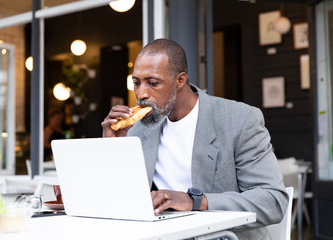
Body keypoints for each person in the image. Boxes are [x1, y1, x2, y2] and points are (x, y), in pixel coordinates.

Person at [101, 39, 288, 239]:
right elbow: (118, 201)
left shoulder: (240, 120)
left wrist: (196, 201)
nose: (141, 94)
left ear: (180, 80)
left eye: (152, 83)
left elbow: (273, 201)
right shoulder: (137, 130)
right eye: (136, 83)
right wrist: (113, 147)